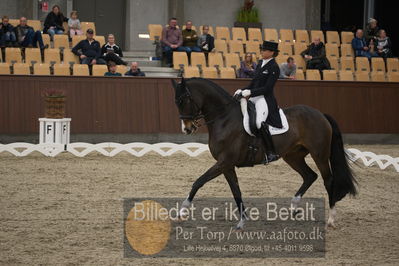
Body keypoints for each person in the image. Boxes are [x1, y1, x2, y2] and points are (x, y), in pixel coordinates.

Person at [234, 41, 282, 164]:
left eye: (264, 50)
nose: (261, 51)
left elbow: (267, 88)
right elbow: (253, 83)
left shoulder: (274, 67)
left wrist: (250, 92)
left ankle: (271, 152)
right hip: (254, 95)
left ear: (271, 52)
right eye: (262, 49)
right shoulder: (260, 63)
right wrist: (243, 90)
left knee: (259, 123)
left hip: (264, 98)